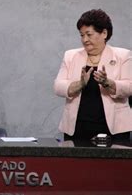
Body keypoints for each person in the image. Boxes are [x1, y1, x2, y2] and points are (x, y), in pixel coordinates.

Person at [54, 9, 132, 141]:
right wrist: (80, 84)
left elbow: (129, 87)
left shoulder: (122, 55)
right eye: (81, 35)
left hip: (114, 128)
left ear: (104, 33)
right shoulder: (71, 56)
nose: (85, 40)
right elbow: (58, 86)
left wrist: (108, 83)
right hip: (77, 127)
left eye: (89, 34)